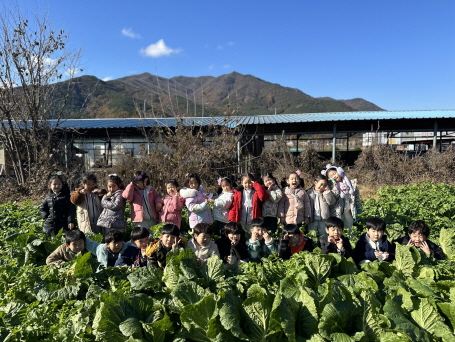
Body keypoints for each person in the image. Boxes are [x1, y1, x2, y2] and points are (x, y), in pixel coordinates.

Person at [321, 164, 362, 231]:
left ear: (339, 171)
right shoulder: (331, 187)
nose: (334, 176)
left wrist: (359, 208)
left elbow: (356, 197)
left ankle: (350, 240)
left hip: (348, 210)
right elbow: (333, 197)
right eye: (331, 176)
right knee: (338, 227)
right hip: (337, 212)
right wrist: (334, 184)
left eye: (334, 173)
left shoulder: (351, 183)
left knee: (349, 226)